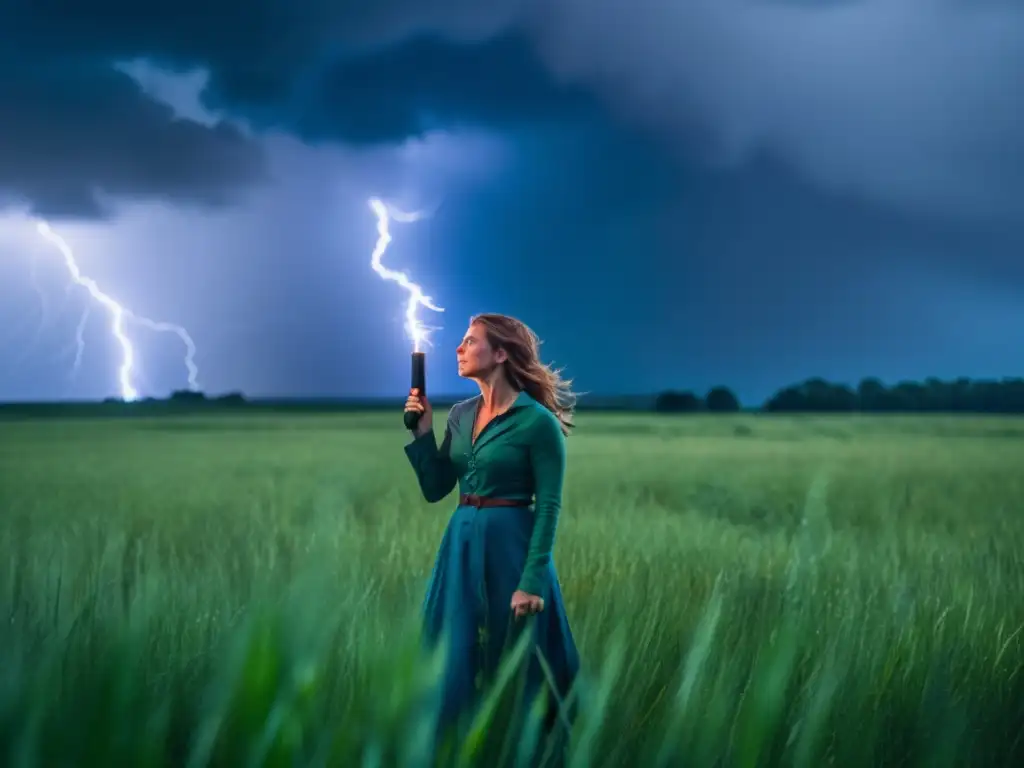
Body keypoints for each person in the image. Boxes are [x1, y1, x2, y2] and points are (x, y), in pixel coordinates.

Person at [403, 312, 580, 759]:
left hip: (511, 548)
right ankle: (457, 748)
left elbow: (550, 506)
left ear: (500, 353)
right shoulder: (461, 415)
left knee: (521, 656)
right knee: (456, 652)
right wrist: (423, 434)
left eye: (470, 341)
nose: (459, 349)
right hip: (461, 544)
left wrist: (532, 581)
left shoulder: (536, 423)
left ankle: (534, 751)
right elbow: (435, 489)